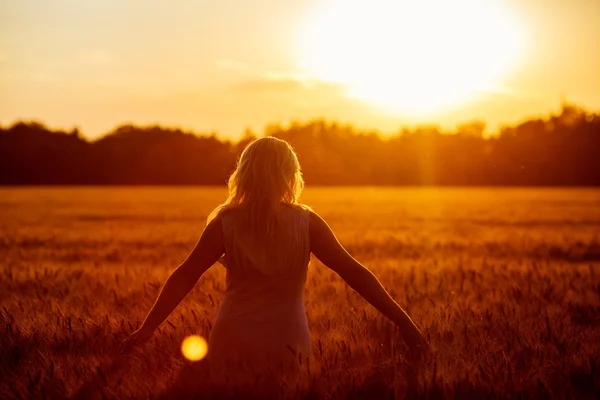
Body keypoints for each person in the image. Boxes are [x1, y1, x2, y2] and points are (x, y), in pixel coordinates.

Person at [122, 136, 429, 388]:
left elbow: (185, 275)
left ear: (244, 173)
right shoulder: (307, 222)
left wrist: (147, 329)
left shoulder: (225, 222)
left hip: (232, 339)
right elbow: (355, 273)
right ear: (290, 174)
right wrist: (404, 323)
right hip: (288, 341)